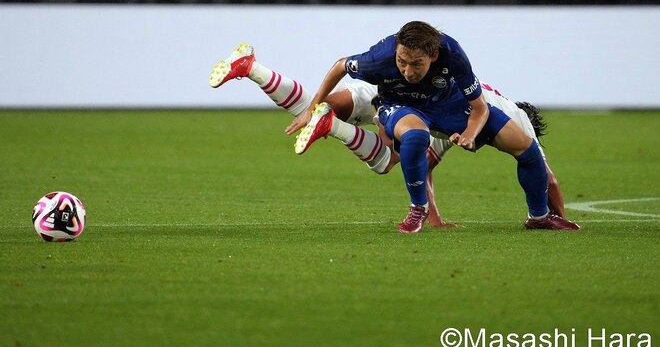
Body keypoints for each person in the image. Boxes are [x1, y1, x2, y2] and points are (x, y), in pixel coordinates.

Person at [209, 39, 571, 230]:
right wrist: (557, 213)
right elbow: (549, 180)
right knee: (388, 161)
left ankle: (254, 69)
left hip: (389, 94)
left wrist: (433, 217)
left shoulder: (474, 90)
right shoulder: (507, 119)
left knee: (310, 106)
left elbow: (426, 165)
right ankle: (331, 127)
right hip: (406, 106)